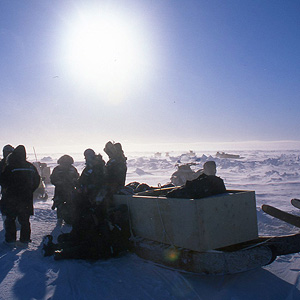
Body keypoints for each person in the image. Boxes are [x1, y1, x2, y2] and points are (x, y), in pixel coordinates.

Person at [0, 145, 40, 244]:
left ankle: (10, 239)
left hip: (11, 197)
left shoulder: (10, 166)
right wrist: (30, 190)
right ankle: (25, 239)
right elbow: (37, 180)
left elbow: (3, 180)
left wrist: (7, 189)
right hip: (26, 197)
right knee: (25, 220)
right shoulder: (30, 166)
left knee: (10, 218)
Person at [50, 154, 79, 224]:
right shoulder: (57, 169)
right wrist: (58, 183)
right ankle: (60, 218)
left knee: (70, 204)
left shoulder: (72, 169)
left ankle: (68, 219)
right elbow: (53, 179)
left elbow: (77, 178)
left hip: (69, 189)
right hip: (60, 190)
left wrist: (74, 183)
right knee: (60, 203)